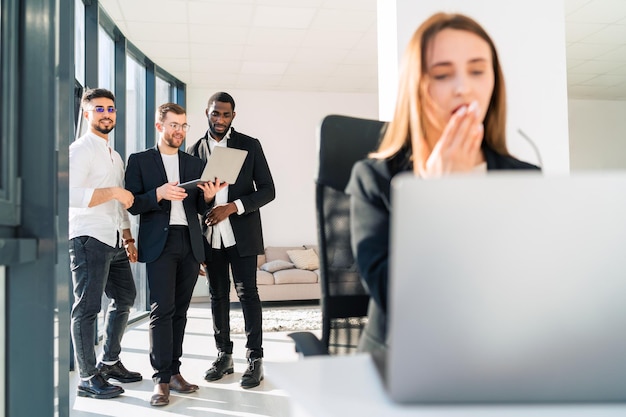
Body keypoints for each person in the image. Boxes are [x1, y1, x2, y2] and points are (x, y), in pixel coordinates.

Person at [347, 13, 541, 355]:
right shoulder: (373, 179)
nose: (464, 87)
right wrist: (438, 199)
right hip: (403, 357)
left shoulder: (525, 178)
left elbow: (533, 291)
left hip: (501, 352)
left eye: (478, 71)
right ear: (417, 86)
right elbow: (397, 298)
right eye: (442, 74)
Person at [124, 102, 226, 406]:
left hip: (190, 243)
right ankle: (161, 380)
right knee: (161, 311)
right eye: (173, 125)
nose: (179, 131)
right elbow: (132, 203)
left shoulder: (194, 164)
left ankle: (176, 372)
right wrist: (158, 194)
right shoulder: (140, 161)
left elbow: (200, 209)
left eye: (184, 126)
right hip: (159, 244)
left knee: (181, 312)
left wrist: (208, 198)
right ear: (160, 127)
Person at [187, 92, 275, 389]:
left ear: (233, 116)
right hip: (210, 237)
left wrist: (232, 207)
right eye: (215, 114)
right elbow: (192, 203)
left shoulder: (249, 145)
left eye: (226, 115)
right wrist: (208, 202)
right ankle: (224, 356)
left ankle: (255, 360)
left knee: (248, 294)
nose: (220, 120)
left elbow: (267, 190)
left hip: (242, 235)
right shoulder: (193, 151)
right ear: (207, 113)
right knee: (217, 295)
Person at [69, 88, 142, 399]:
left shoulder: (114, 154)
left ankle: (110, 361)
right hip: (88, 237)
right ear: (87, 114)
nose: (106, 114)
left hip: (112, 237)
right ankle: (87, 377)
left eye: (110, 109)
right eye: (99, 109)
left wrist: (127, 236)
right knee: (87, 308)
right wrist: (113, 192)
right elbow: (69, 194)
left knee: (125, 296)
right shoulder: (80, 149)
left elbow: (121, 202)